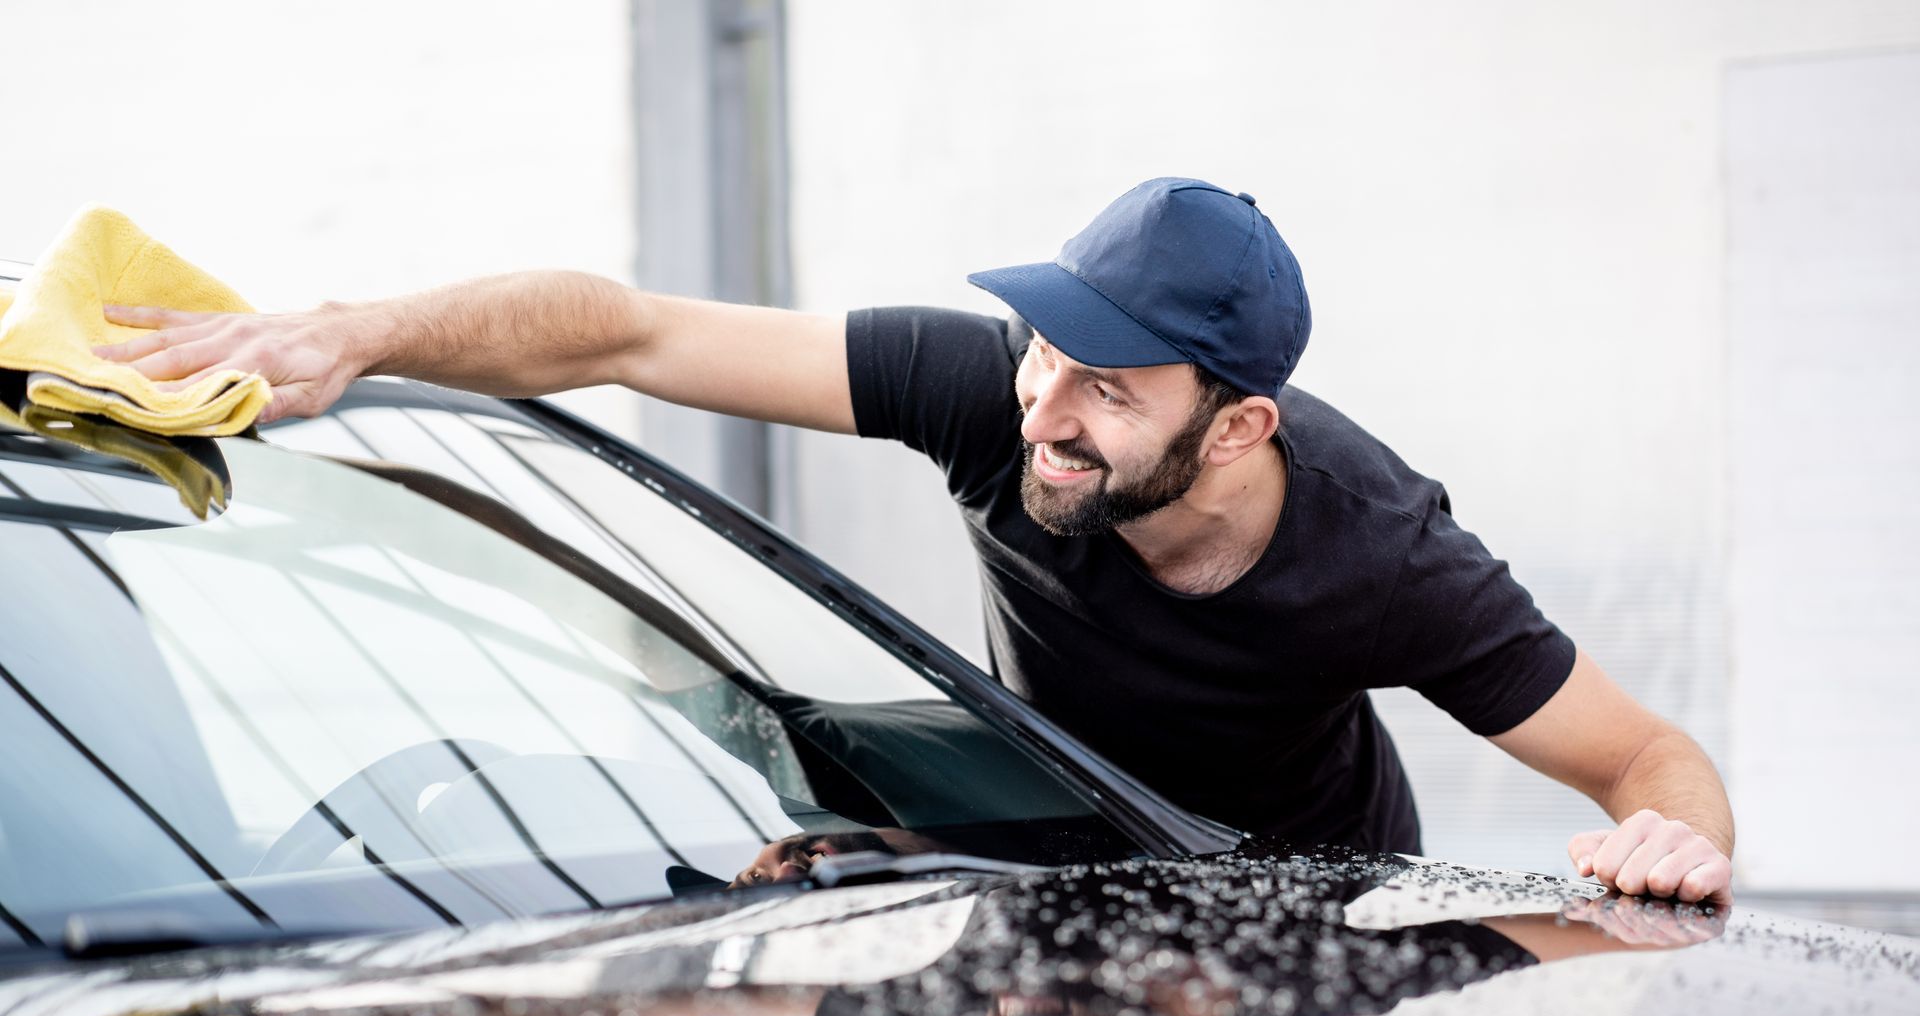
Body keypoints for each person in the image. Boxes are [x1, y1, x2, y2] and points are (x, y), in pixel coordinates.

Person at [93, 177, 1734, 902]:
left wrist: (1674, 841)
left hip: (1273, 923)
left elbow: (1648, 756)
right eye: (1042, 349)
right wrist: (358, 329)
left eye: (1105, 383)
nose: (1045, 405)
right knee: (734, 706)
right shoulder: (990, 394)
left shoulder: (1381, 552)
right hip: (1039, 862)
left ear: (1241, 426)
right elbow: (630, 334)